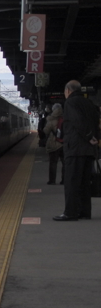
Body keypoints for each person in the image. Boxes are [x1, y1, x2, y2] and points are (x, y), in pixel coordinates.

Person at [53, 80, 100, 221]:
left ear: (68, 90)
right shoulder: (90, 103)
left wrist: (88, 136)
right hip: (88, 150)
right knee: (85, 182)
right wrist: (95, 137)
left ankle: (71, 212)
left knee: (72, 181)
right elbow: (96, 121)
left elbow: (77, 121)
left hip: (75, 149)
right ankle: (85, 212)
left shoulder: (70, 103)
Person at [43, 103, 64, 185]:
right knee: (65, 163)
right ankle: (64, 180)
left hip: (54, 143)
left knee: (53, 163)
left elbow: (46, 131)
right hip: (64, 143)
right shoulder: (65, 118)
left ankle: (52, 180)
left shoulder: (51, 120)